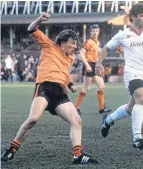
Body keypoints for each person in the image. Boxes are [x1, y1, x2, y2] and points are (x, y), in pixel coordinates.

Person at [1, 12, 98, 165]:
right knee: (33, 119)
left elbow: (65, 74)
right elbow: (31, 29)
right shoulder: (49, 45)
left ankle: (77, 155)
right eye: (72, 43)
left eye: (76, 45)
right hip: (45, 88)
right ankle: (11, 149)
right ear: (63, 41)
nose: (74, 47)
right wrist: (39, 19)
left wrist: (71, 85)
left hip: (60, 92)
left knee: (77, 120)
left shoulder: (71, 58)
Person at [95, 3, 143, 149]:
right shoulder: (123, 34)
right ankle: (137, 137)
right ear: (133, 17)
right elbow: (106, 48)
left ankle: (108, 120)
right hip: (132, 72)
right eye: (142, 16)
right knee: (142, 98)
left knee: (131, 108)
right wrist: (98, 63)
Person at [74, 24, 111, 115]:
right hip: (89, 65)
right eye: (93, 31)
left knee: (101, 86)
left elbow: (97, 56)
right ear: (90, 32)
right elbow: (81, 54)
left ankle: (101, 108)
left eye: (96, 31)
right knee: (87, 88)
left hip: (95, 65)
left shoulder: (97, 42)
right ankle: (76, 108)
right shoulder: (88, 42)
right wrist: (87, 65)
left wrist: (100, 64)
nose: (95, 32)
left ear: (99, 32)